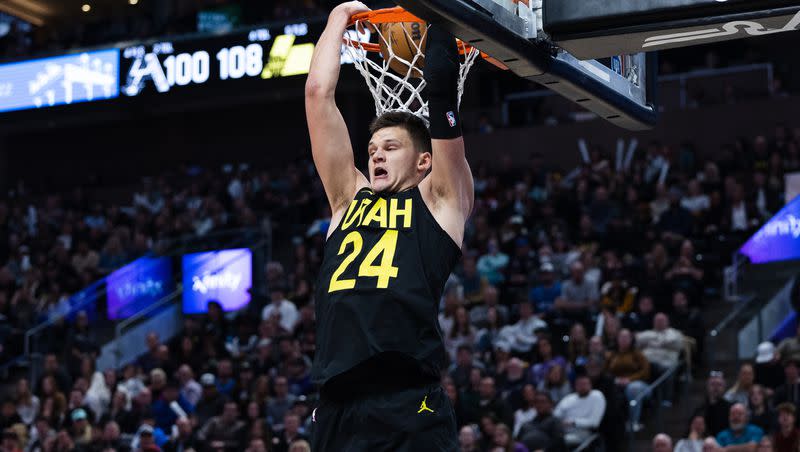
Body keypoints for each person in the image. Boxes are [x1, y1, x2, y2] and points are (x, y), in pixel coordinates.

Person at [306, 3, 474, 449]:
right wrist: (337, 18)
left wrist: (441, 13)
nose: (376, 154)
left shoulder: (441, 203)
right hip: (337, 404)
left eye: (391, 146)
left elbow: (440, 93)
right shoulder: (347, 200)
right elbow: (317, 94)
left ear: (424, 161)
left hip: (408, 402)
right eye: (373, 147)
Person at [553, 375, 606, 447]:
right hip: (561, 430)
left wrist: (573, 422)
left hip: (583, 433)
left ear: (590, 385)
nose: (582, 387)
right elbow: (555, 415)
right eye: (579, 384)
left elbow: (594, 422)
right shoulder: (569, 398)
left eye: (585, 384)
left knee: (556, 441)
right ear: (575, 386)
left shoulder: (596, 396)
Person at [694, 371, 733, 437]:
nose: (716, 387)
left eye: (719, 384)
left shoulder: (730, 408)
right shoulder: (700, 410)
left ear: (724, 387)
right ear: (708, 386)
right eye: (713, 384)